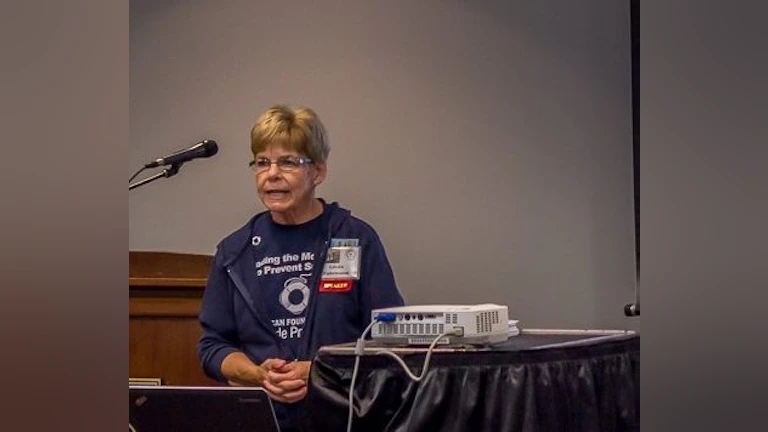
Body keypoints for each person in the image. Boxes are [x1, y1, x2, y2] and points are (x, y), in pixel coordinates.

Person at [197, 104, 405, 431]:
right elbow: (213, 347)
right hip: (263, 419)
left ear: (318, 173)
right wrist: (258, 375)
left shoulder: (354, 238)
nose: (272, 174)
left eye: (288, 162)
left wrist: (322, 370)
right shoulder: (233, 252)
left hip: (343, 417)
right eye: (262, 162)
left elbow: (390, 340)